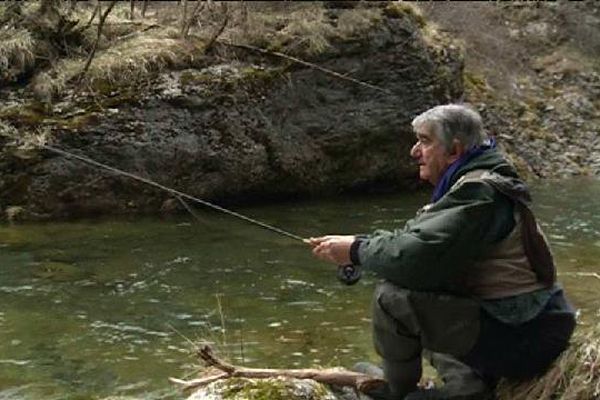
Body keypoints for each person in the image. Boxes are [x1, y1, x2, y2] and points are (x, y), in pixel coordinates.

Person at [309, 104, 576, 400]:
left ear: (454, 151)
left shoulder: (479, 194)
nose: (414, 151)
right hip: (528, 325)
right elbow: (419, 245)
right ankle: (467, 386)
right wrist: (358, 244)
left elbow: (413, 259)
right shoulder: (476, 181)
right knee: (429, 290)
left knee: (392, 298)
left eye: (424, 141)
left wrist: (357, 250)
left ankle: (399, 391)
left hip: (525, 336)